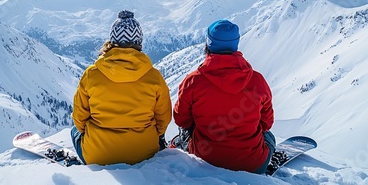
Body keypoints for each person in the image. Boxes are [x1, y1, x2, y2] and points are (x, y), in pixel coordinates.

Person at [173, 19, 275, 174]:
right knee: (269, 136)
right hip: (252, 164)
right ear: (236, 44)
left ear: (208, 43)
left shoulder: (193, 81)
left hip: (204, 159)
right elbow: (266, 123)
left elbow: (181, 119)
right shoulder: (257, 81)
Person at [71, 10, 172, 165]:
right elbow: (163, 119)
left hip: (98, 155)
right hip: (145, 153)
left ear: (112, 40)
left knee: (74, 131)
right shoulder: (154, 77)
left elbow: (79, 118)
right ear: (139, 42)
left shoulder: (92, 74)